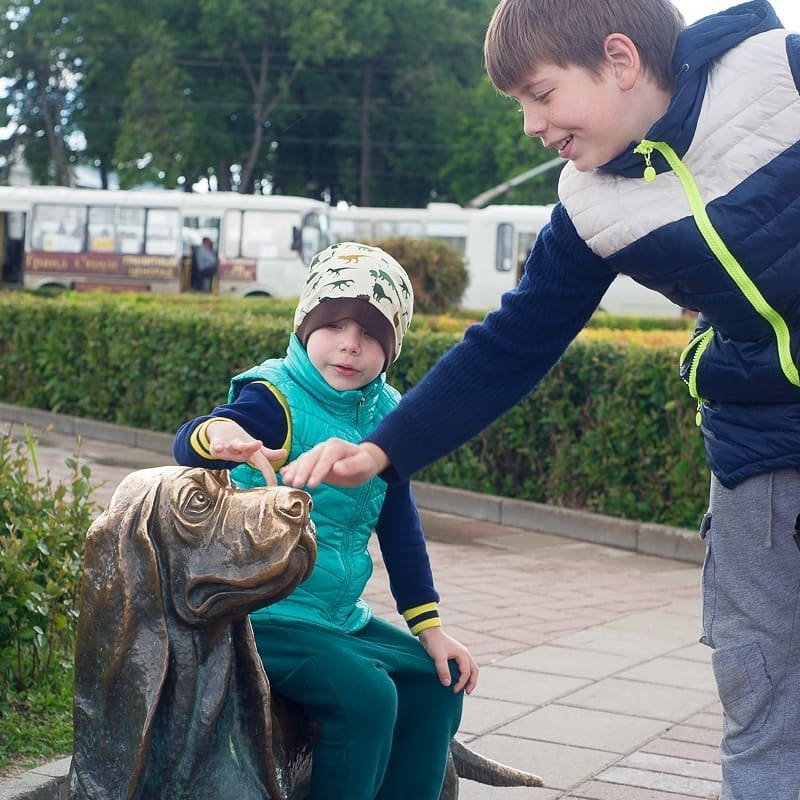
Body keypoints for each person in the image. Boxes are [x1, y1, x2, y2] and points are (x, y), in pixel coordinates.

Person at [278, 2, 800, 799]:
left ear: (620, 61)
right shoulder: (593, 203)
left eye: (540, 94)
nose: (529, 124)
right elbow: (512, 342)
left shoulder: (781, 79)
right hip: (757, 439)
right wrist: (381, 451)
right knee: (760, 675)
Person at [173, 241, 478, 800]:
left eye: (371, 333)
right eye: (334, 324)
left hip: (338, 616)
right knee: (366, 696)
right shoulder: (276, 398)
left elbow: (401, 526)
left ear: (392, 347)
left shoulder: (389, 416)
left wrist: (431, 632)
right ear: (305, 325)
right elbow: (191, 443)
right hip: (262, 611)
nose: (350, 345)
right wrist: (214, 436)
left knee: (440, 684)